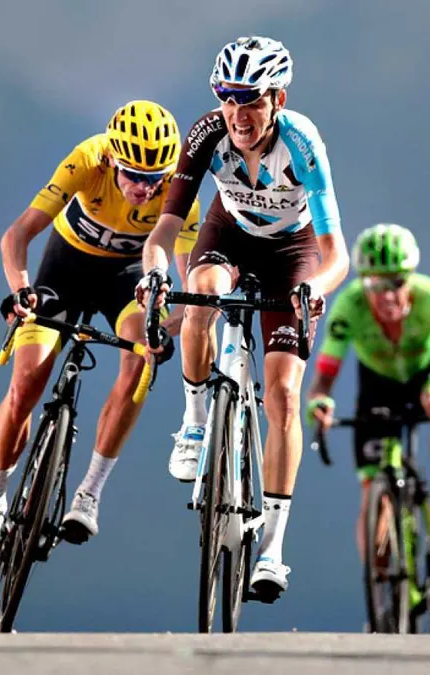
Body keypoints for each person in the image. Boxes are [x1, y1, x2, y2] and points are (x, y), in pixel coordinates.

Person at [139, 36, 349, 600]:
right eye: (227, 98)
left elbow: (337, 256)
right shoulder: (207, 134)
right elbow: (163, 233)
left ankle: (272, 550)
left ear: (277, 99)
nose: (238, 113)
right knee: (201, 293)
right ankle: (194, 422)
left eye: (251, 100)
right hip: (228, 233)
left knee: (283, 394)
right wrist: (154, 273)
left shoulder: (302, 144)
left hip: (292, 252)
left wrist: (313, 289)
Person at [0, 100, 199, 566]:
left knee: (141, 360)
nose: (144, 189)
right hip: (65, 269)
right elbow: (16, 236)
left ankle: (89, 492)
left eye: (155, 179)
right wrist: (21, 290)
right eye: (134, 176)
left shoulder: (179, 192)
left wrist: (169, 326)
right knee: (25, 384)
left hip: (127, 278)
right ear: (112, 159)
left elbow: (189, 292)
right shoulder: (88, 159)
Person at [306, 224, 430, 561]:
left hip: (426, 379)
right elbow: (322, 379)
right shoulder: (349, 306)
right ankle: (379, 584)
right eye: (374, 285)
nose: (387, 296)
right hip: (377, 387)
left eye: (395, 283)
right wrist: (319, 403)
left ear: (410, 278)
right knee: (373, 500)